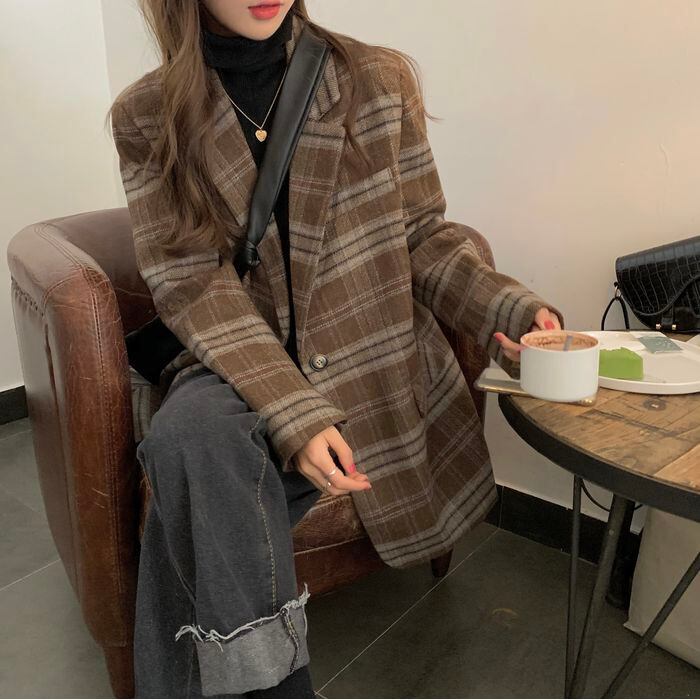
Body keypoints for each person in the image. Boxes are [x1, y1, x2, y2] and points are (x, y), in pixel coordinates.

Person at [111, 1, 563, 696]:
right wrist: (294, 413)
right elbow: (190, 284)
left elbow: (424, 238)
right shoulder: (147, 115)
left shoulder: (375, 79)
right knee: (189, 438)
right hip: (237, 351)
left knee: (191, 474)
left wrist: (513, 311)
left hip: (369, 354)